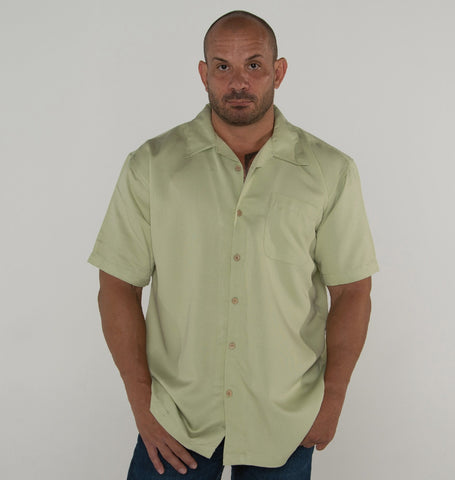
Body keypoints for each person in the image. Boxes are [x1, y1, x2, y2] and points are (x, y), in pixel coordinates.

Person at [88, 10, 379, 480]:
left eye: (254, 65)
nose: (238, 82)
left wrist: (334, 399)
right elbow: (118, 286)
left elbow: (352, 291)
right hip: (177, 419)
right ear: (204, 74)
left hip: (285, 417)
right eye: (223, 66)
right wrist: (142, 406)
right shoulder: (152, 166)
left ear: (278, 72)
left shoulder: (330, 171)